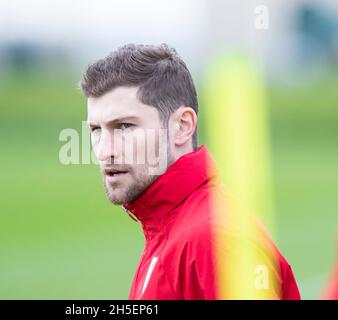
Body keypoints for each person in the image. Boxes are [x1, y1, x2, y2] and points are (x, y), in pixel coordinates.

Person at [80, 43, 300, 299]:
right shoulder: (168, 227)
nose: (106, 150)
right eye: (96, 130)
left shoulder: (216, 239)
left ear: (182, 126)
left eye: (125, 126)